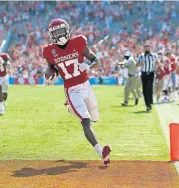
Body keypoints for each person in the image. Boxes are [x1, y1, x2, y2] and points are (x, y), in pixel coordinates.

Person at [42, 18, 111, 165]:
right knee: (85, 121)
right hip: (72, 90)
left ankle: (72, 108)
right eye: (56, 33)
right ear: (51, 35)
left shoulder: (78, 42)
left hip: (86, 85)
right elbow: (52, 67)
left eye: (61, 31)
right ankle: (101, 152)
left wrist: (88, 65)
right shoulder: (49, 51)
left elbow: (95, 59)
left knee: (95, 116)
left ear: (67, 30)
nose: (59, 35)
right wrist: (49, 75)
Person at [136, 43, 158, 111]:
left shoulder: (154, 55)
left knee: (150, 88)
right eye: (145, 47)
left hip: (151, 73)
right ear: (144, 48)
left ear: (150, 48)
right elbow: (136, 65)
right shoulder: (141, 56)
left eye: (148, 47)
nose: (146, 48)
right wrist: (140, 63)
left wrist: (157, 66)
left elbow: (157, 63)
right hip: (144, 74)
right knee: (145, 89)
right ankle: (147, 104)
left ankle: (150, 102)